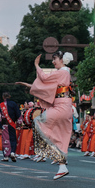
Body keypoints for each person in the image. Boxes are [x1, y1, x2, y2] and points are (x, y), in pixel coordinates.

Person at [20, 52, 74, 180]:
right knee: (59, 134)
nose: (52, 62)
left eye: (54, 59)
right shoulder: (64, 73)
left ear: (61, 59)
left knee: (39, 122)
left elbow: (44, 78)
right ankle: (62, 166)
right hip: (63, 105)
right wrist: (30, 86)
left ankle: (45, 152)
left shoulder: (63, 72)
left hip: (61, 106)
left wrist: (36, 65)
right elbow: (48, 87)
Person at [0, 92, 21, 162]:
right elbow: (18, 114)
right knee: (13, 139)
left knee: (5, 140)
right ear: (10, 96)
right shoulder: (14, 104)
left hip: (4, 125)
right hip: (12, 124)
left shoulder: (1, 105)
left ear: (3, 97)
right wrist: (19, 124)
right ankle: (12, 152)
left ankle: (6, 156)